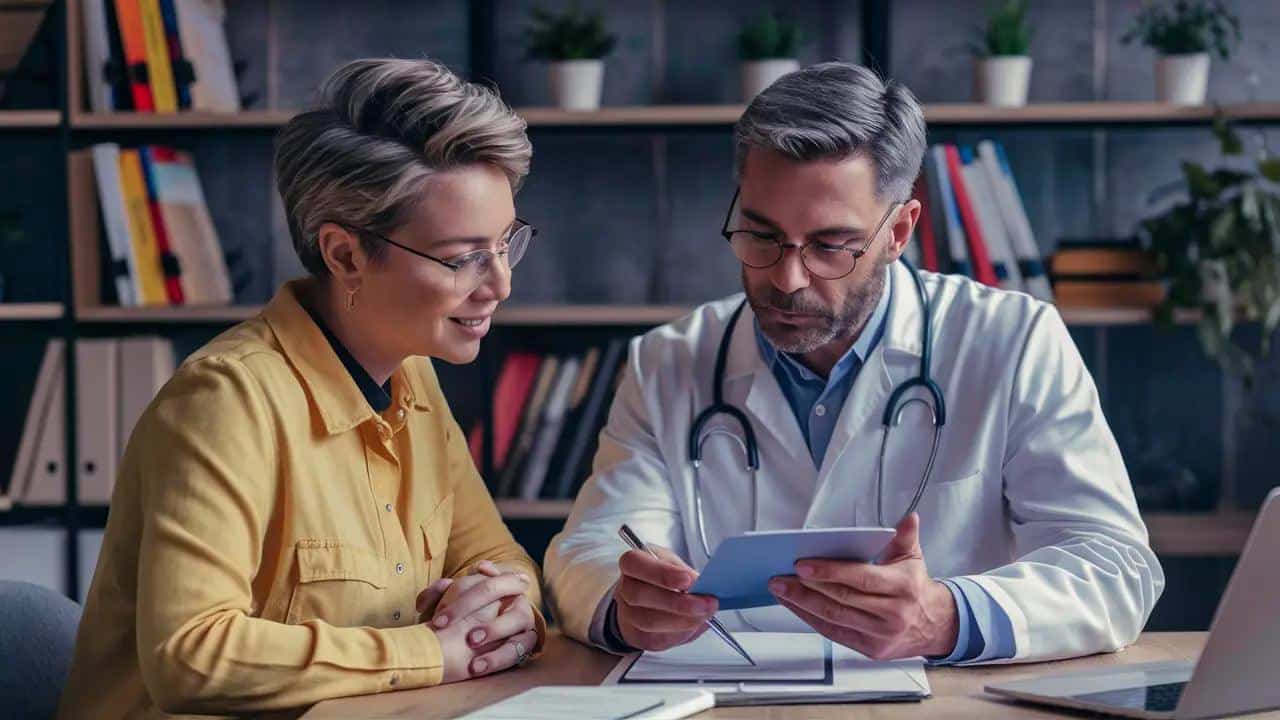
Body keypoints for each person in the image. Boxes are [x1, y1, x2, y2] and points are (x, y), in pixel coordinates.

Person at [545, 62, 1164, 665]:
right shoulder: (667, 360)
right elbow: (589, 549)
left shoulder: (1013, 341)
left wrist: (945, 617)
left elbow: (1114, 566)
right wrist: (625, 603)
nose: (787, 279)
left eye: (830, 245)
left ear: (899, 232)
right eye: (762, 236)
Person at [58, 58, 545, 718]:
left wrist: (504, 606)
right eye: (463, 258)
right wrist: (430, 651)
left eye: (505, 244)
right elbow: (190, 654)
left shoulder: (412, 373)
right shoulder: (225, 403)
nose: (500, 285)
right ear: (344, 255)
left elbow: (494, 554)